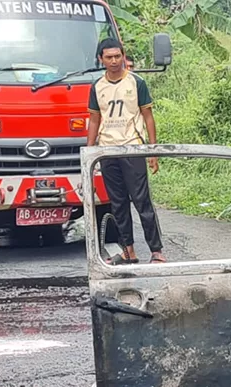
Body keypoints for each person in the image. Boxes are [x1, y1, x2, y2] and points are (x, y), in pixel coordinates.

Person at [87, 38, 165, 264]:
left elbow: (148, 117)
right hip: (107, 152)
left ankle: (156, 251)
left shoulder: (136, 83)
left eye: (117, 56)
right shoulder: (97, 87)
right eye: (109, 57)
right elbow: (94, 120)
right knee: (118, 203)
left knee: (142, 201)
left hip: (132, 147)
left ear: (123, 57)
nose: (114, 61)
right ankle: (128, 250)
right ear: (101, 59)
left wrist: (152, 150)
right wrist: (89, 154)